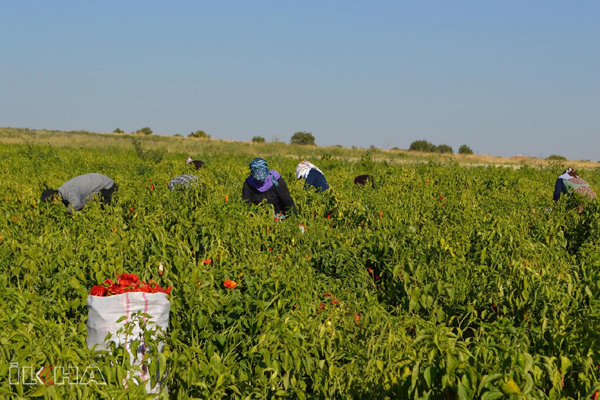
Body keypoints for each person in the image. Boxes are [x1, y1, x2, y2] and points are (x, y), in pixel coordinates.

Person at [40, 173, 117, 213]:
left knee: (104, 212)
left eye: (52, 202)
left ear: (55, 197)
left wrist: (64, 213)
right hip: (100, 183)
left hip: (107, 187)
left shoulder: (68, 192)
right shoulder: (62, 193)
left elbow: (76, 204)